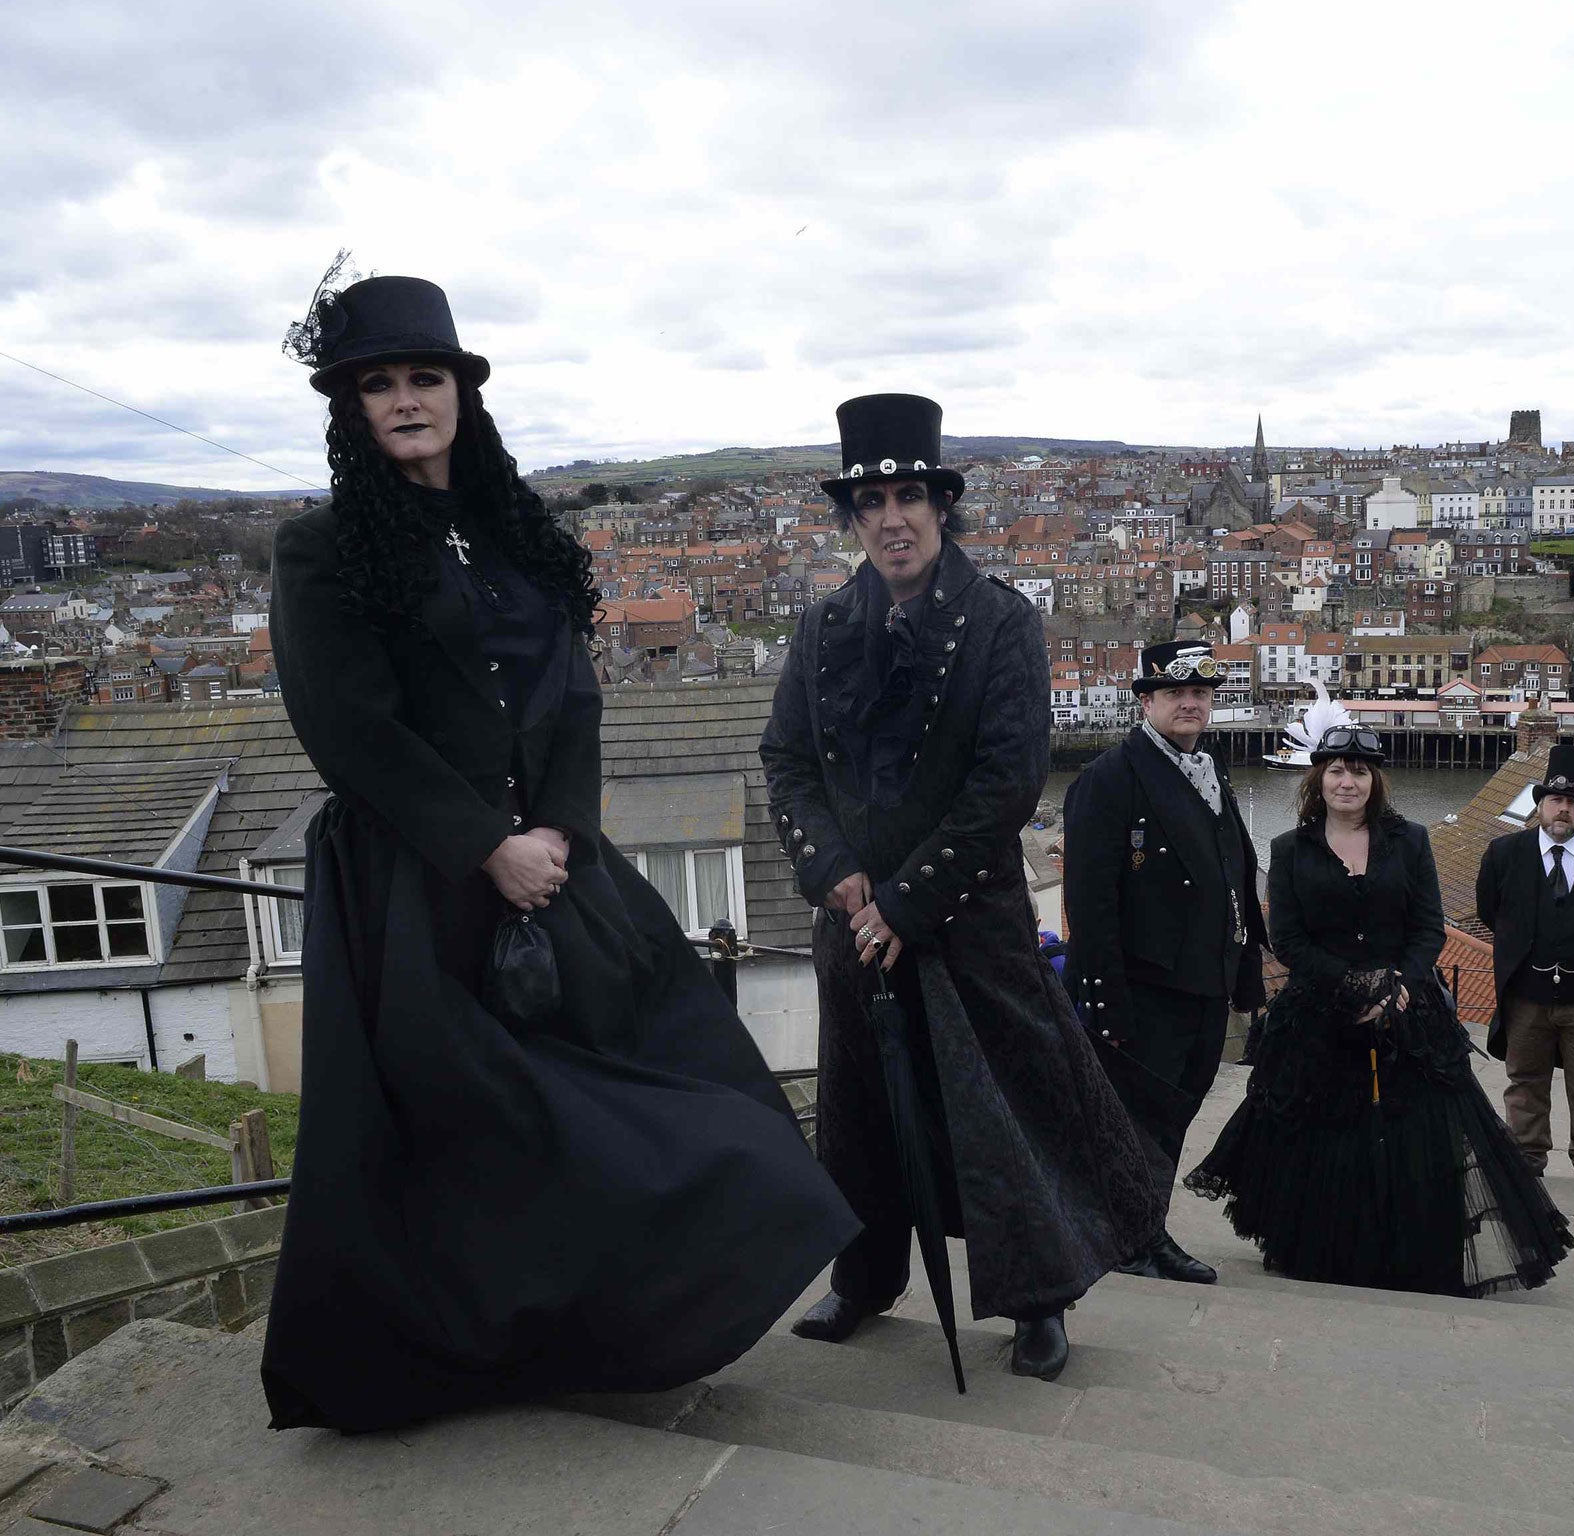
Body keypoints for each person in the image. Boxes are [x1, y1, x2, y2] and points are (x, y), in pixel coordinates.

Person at [261, 269, 857, 1432]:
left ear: (461, 393)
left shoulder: (510, 532)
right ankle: (457, 1358)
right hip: (412, 881)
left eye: (422, 376)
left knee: (683, 1076)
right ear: (351, 411)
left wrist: (553, 839)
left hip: (552, 864)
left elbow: (573, 700)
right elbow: (348, 729)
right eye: (375, 385)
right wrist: (484, 845)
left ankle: (603, 1330)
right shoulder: (320, 547)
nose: (402, 400)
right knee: (477, 1125)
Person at [759, 393, 1163, 1381]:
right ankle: (861, 1279)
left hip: (968, 919)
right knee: (856, 1112)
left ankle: (1036, 1300)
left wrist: (905, 901)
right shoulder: (821, 631)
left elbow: (1007, 781)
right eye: (870, 502)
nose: (890, 517)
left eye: (907, 496)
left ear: (940, 505)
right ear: (853, 519)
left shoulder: (999, 624)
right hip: (853, 923)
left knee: (1001, 1115)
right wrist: (839, 879)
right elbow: (784, 764)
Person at [1186, 724, 1572, 1294]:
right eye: (1337, 770)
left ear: (1375, 780)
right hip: (1321, 1009)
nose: (1348, 781)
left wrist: (1396, 986)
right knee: (1327, 1137)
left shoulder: (1411, 840)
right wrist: (1352, 985)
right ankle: (1333, 1251)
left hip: (1407, 1005)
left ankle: (1409, 1253)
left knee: (1415, 1134)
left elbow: (1426, 926)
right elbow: (1287, 940)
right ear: (1319, 779)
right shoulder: (1289, 849)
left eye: (1359, 771)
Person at [1060, 639, 1268, 1285]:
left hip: (1205, 983)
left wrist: (1247, 970)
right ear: (1146, 701)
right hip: (1145, 988)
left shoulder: (1210, 770)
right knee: (1136, 1120)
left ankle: (1139, 1230)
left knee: (1173, 1116)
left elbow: (1236, 873)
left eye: (1201, 694)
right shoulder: (1109, 779)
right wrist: (1103, 999)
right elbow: (1089, 901)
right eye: (1175, 693)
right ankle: (1133, 1239)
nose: (1190, 704)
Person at [1475, 743, 1574, 1182]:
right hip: (1527, 995)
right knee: (1525, 1081)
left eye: (1573, 803)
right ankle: (1527, 1156)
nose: (1563, 810)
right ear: (1540, 805)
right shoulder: (1503, 853)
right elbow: (1491, 912)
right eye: (1556, 800)